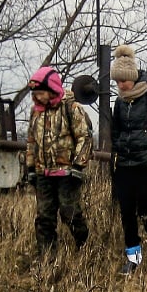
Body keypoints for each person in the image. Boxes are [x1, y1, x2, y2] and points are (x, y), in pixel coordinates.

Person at [109, 45, 147, 275]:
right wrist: (114, 164)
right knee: (126, 213)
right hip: (124, 167)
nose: (120, 85)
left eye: (123, 81)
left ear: (132, 78)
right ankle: (133, 257)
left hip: (146, 166)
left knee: (146, 211)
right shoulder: (119, 103)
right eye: (117, 82)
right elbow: (115, 136)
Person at [25, 65, 93, 256]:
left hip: (67, 173)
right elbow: (31, 141)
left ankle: (84, 245)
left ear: (52, 89)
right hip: (42, 173)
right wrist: (30, 168)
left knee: (69, 213)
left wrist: (78, 166)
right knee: (44, 217)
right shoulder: (35, 112)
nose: (38, 97)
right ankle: (47, 259)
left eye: (41, 93)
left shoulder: (72, 108)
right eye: (35, 94)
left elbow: (85, 138)